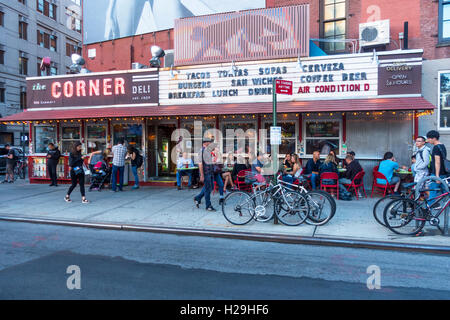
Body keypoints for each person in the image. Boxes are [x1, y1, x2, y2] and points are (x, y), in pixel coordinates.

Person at [426, 130, 448, 205]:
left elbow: (437, 162)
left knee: (432, 191)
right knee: (446, 192)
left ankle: (429, 209)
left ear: (434, 138)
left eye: (429, 138)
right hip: (444, 172)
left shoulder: (436, 147)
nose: (428, 140)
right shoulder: (442, 146)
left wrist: (437, 176)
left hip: (437, 173)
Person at [194, 138, 216, 211]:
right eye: (210, 142)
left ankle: (198, 198)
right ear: (206, 143)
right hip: (206, 173)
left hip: (210, 172)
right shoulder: (201, 151)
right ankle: (208, 206)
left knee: (210, 187)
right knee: (207, 189)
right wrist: (202, 175)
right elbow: (200, 164)